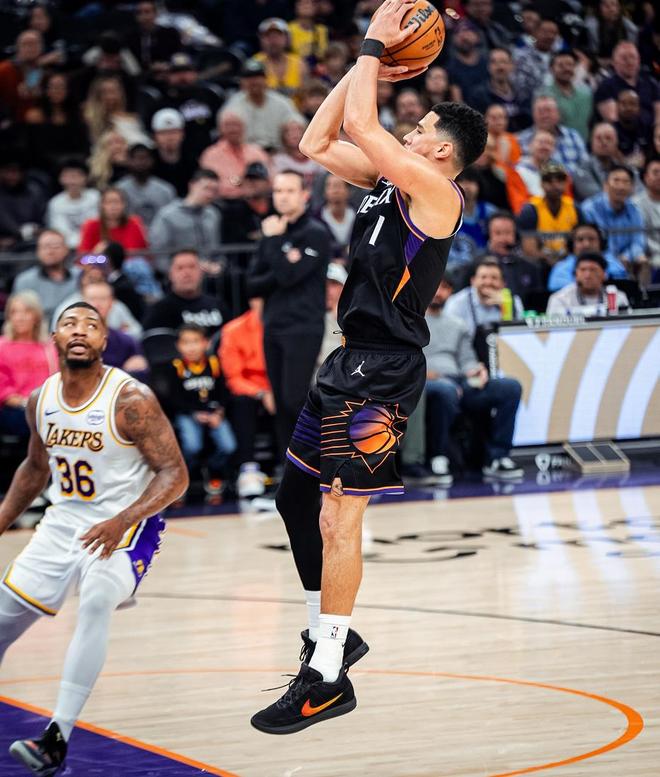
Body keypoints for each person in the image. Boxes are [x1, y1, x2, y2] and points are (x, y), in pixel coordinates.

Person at [250, 1, 487, 735]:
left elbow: (363, 124)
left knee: (338, 514)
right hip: (346, 359)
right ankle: (333, 634)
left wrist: (374, 49)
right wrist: (368, 67)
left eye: (419, 129)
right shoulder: (390, 183)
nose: (408, 130)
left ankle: (326, 676)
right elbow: (320, 138)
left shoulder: (437, 193)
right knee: (295, 499)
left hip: (384, 370)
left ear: (441, 150)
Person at [0, 302, 187, 775]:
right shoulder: (41, 399)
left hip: (127, 524)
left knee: (98, 597)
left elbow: (176, 474)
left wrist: (123, 519)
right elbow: (35, 468)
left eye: (91, 325)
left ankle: (56, 738)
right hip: (62, 523)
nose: (80, 330)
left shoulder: (130, 400)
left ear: (105, 341)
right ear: (55, 339)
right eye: (69, 323)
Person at [246, 170, 330, 465]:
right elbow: (252, 284)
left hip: (303, 325)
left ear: (304, 195)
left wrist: (274, 245)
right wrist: (281, 260)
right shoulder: (272, 232)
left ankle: (321, 462)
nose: (282, 197)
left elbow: (290, 277)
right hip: (273, 324)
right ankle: (291, 468)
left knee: (295, 398)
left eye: (289, 191)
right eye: (278, 191)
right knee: (280, 403)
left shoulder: (315, 232)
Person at [424, 280, 523, 484]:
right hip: (426, 381)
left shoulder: (457, 324)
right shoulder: (410, 321)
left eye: (444, 288)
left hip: (459, 381)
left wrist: (476, 369)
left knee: (510, 387)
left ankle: (497, 457)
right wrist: (423, 373)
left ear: (450, 292)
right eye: (435, 285)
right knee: (445, 390)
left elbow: (466, 359)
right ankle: (438, 457)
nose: (438, 292)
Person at [152, 323, 236, 495]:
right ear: (178, 345)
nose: (191, 347)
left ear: (206, 343)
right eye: (186, 342)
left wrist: (219, 412)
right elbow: (173, 398)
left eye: (196, 341)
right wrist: (194, 413)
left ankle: (214, 469)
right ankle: (187, 476)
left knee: (229, 446)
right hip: (188, 414)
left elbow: (224, 391)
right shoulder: (176, 367)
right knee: (192, 446)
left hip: (214, 413)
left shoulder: (214, 363)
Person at [219, 298, 274, 498]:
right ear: (253, 301)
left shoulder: (287, 326)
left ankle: (294, 467)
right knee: (243, 403)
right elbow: (233, 377)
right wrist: (262, 393)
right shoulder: (233, 330)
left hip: (279, 385)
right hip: (249, 389)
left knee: (293, 399)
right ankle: (248, 470)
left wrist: (278, 391)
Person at [142, 249, 225, 354]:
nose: (187, 273)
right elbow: (154, 347)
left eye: (192, 267)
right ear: (170, 274)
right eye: (180, 268)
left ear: (201, 272)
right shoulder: (159, 310)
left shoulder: (217, 305)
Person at [0, 291, 58, 441]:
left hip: (46, 408)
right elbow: (3, 390)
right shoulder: (2, 346)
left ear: (36, 316)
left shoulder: (49, 347)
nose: (20, 317)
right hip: (14, 409)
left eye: (26, 312)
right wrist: (26, 403)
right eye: (14, 312)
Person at [221, 59, 304, 151]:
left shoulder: (282, 102)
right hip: (245, 154)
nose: (253, 81)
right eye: (248, 77)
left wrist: (293, 127)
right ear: (241, 82)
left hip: (278, 153)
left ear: (266, 79)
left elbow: (299, 123)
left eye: (257, 76)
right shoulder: (233, 105)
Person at [581, 165, 647, 277]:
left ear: (632, 187)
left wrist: (627, 256)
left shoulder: (634, 209)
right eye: (616, 181)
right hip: (600, 257)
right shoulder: (590, 208)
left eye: (626, 182)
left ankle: (642, 289)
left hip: (626, 258)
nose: (621, 187)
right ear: (605, 185)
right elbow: (592, 244)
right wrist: (615, 261)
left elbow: (639, 241)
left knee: (642, 260)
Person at [149, 169, 222, 270]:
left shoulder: (213, 214)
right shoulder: (167, 215)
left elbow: (216, 249)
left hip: (210, 272)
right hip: (179, 272)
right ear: (192, 185)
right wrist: (174, 271)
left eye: (214, 191)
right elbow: (159, 253)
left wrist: (219, 265)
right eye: (206, 188)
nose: (210, 194)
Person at [444, 258, 524, 341]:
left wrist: (506, 309)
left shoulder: (513, 301)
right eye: (483, 277)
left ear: (503, 283)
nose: (488, 282)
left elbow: (519, 338)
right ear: (473, 281)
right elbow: (450, 336)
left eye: (494, 278)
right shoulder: (457, 302)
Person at [200, 111, 271, 201]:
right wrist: (246, 186)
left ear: (244, 127)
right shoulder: (211, 155)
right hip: (225, 203)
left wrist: (239, 184)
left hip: (257, 201)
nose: (233, 129)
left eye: (236, 125)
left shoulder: (257, 152)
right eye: (228, 125)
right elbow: (212, 186)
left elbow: (268, 181)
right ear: (220, 129)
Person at [82, 280, 148, 375]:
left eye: (103, 299)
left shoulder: (127, 342)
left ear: (112, 302)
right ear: (83, 302)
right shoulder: (74, 340)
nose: (97, 304)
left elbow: (141, 370)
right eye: (92, 299)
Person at [12, 230, 79, 322]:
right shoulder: (24, 281)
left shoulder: (80, 278)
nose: (50, 251)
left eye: (55, 246)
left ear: (66, 250)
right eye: (45, 247)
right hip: (37, 329)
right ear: (38, 251)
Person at [517, 162, 579, 260]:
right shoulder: (530, 210)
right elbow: (529, 250)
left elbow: (580, 244)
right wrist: (553, 262)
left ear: (566, 183)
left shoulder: (574, 208)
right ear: (541, 183)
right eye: (549, 180)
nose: (555, 185)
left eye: (560, 180)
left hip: (569, 262)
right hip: (540, 263)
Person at [517, 95, 588, 175]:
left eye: (548, 110)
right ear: (533, 114)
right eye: (540, 111)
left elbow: (586, 168)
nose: (544, 115)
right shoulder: (520, 139)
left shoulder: (573, 136)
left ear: (558, 113)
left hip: (573, 181)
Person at [594, 41, 659, 128]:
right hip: (621, 134)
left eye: (633, 57)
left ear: (639, 60)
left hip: (651, 133)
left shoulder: (651, 83)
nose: (629, 62)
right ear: (614, 62)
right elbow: (613, 121)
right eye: (624, 58)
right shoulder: (605, 87)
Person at [547, 223, 629, 291]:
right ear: (572, 244)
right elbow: (557, 292)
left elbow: (623, 287)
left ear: (601, 243)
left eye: (591, 239)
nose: (586, 244)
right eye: (580, 240)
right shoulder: (560, 269)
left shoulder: (613, 263)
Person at [536, 50, 593, 142]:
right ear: (551, 69)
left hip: (583, 146)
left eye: (570, 65)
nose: (566, 69)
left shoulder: (586, 94)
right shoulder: (543, 95)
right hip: (555, 145)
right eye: (561, 65)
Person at [468, 48, 530, 133]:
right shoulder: (479, 96)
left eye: (504, 62)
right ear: (488, 67)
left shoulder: (523, 93)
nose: (500, 67)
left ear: (512, 66)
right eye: (494, 62)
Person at [546, 252, 630, 315]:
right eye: (583, 270)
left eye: (593, 270)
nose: (588, 275)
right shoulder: (560, 299)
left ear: (604, 274)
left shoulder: (617, 297)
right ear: (576, 274)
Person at [115, 143, 176, 227]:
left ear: (152, 161)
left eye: (144, 158)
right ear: (128, 161)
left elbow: (173, 220)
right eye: (136, 158)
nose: (141, 162)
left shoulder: (165, 190)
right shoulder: (119, 189)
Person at [46, 159, 100, 250]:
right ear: (60, 179)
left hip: (95, 247)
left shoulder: (96, 197)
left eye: (75, 176)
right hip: (67, 249)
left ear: (85, 178)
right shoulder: (55, 203)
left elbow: (100, 225)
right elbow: (60, 232)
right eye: (67, 177)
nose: (71, 181)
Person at [572, 122, 633, 202]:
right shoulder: (582, 169)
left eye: (608, 138)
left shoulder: (624, 168)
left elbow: (639, 191)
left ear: (616, 142)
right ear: (591, 142)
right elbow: (595, 196)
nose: (604, 142)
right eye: (598, 138)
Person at [78, 187, 148, 255]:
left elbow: (144, 254)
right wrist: (96, 255)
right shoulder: (91, 225)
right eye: (109, 202)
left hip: (130, 262)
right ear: (101, 205)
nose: (113, 206)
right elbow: (81, 258)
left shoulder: (134, 223)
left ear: (124, 205)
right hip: (100, 262)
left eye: (117, 202)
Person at [254, 17, 309, 100]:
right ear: (261, 39)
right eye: (268, 36)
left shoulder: (299, 63)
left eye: (277, 36)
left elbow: (306, 94)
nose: (273, 40)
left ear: (287, 39)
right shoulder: (255, 63)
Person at [0, 156, 48, 249]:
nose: (11, 176)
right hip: (4, 245)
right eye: (7, 172)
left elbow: (43, 220)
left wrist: (36, 231)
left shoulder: (35, 192)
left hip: (33, 241)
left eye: (15, 172)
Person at [512, 17, 561, 105]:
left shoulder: (560, 58)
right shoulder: (522, 57)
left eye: (553, 33)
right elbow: (520, 88)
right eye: (545, 32)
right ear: (534, 33)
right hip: (531, 104)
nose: (549, 36)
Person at [150, 108, 198, 198]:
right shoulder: (148, 160)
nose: (169, 137)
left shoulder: (192, 158)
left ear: (182, 134)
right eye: (163, 133)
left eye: (174, 132)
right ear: (154, 136)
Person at [126, 0, 182, 72]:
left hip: (168, 70)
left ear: (155, 14)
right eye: (139, 13)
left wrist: (167, 65)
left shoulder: (170, 33)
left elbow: (178, 55)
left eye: (147, 12)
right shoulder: (130, 37)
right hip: (141, 73)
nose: (144, 16)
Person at [0, 30, 43, 122]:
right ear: (18, 48)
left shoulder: (46, 70)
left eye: (35, 44)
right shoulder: (4, 69)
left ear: (41, 47)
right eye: (26, 44)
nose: (30, 48)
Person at [632, 158, 660, 278]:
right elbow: (640, 236)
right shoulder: (635, 204)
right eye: (655, 172)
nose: (659, 176)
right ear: (646, 177)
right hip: (651, 255)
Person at [319, 174, 356, 258]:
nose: (334, 190)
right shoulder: (316, 218)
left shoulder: (360, 216)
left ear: (349, 190)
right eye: (329, 186)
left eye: (338, 186)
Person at [515, 129, 557, 197]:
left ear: (554, 149)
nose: (544, 147)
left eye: (549, 143)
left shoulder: (557, 173)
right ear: (530, 145)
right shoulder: (517, 170)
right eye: (541, 142)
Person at [288, 0, 329, 67]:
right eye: (303, 3)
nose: (307, 5)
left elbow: (323, 55)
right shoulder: (289, 29)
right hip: (295, 68)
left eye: (311, 3)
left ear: (316, 8)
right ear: (296, 7)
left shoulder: (322, 30)